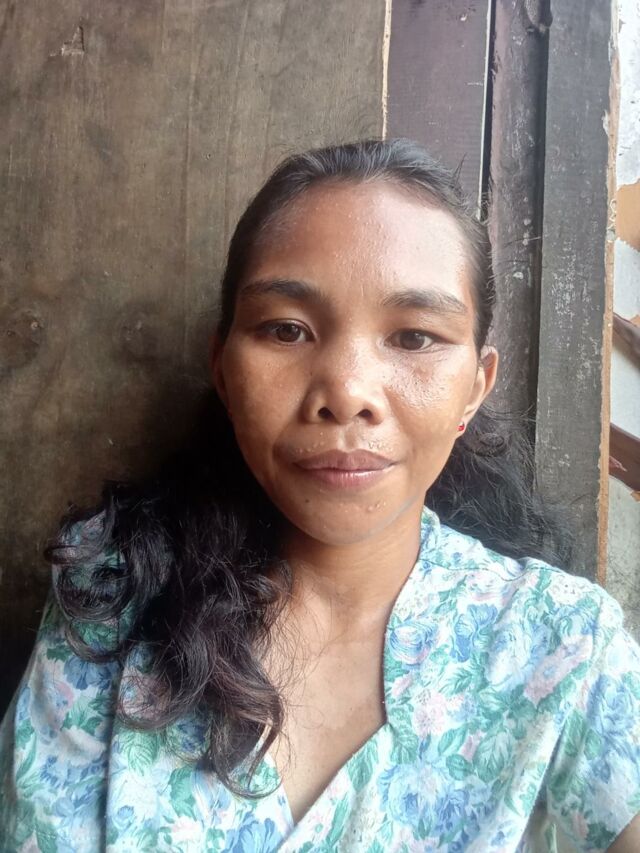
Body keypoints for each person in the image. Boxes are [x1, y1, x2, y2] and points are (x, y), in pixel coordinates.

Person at [1, 139, 639, 853]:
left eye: (414, 337)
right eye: (287, 329)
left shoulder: (563, 647)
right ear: (223, 368)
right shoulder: (113, 599)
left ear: (474, 387)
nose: (348, 392)